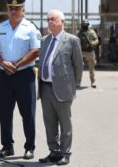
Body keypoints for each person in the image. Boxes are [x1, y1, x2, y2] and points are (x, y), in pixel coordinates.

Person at [0, 0, 41, 159]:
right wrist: (4, 63)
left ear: (23, 10)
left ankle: (29, 147)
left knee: (28, 113)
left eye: (17, 8)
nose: (14, 11)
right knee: (4, 113)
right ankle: (7, 146)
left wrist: (16, 65)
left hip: (24, 75)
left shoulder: (30, 28)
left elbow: (36, 51)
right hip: (4, 75)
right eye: (11, 8)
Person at [38, 10, 83, 165]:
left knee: (65, 123)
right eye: (48, 19)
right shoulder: (44, 40)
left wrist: (73, 85)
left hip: (63, 89)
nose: (50, 22)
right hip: (45, 88)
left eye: (54, 19)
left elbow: (78, 65)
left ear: (62, 21)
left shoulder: (71, 40)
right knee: (49, 123)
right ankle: (54, 152)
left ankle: (65, 153)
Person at [76, 19, 99, 88]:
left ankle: (92, 82)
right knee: (79, 68)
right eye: (84, 24)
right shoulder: (79, 33)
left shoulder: (91, 32)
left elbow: (96, 40)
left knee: (91, 69)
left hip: (90, 51)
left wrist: (92, 43)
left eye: (86, 24)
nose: (85, 26)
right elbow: (75, 40)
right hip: (81, 51)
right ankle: (78, 82)